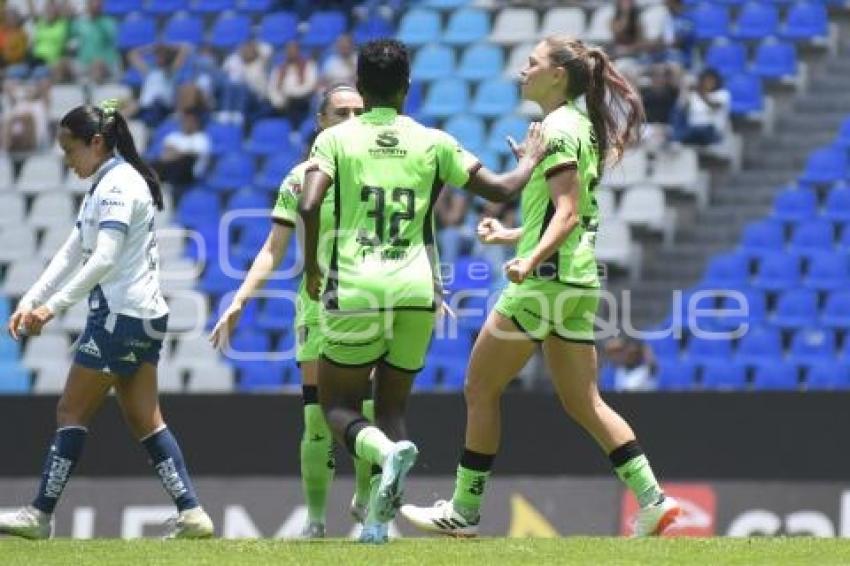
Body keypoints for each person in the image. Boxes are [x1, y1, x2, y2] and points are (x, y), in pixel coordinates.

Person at [400, 36, 680, 538]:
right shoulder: (578, 127)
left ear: (557, 75)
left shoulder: (556, 128)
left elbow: (568, 214)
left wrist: (528, 256)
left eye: (532, 63)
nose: (521, 70)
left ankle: (463, 509)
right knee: (584, 402)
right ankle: (653, 499)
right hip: (577, 283)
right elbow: (568, 211)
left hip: (546, 283)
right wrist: (513, 235)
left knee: (480, 386)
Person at [299, 38, 547, 544]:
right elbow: (501, 189)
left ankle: (385, 457)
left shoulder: (336, 141)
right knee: (392, 409)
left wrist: (310, 268)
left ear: (362, 89)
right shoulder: (434, 141)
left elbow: (308, 205)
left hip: (355, 287)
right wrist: (533, 160)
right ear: (407, 88)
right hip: (418, 290)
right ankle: (378, 524)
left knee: (338, 406)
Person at [0, 100, 213, 540]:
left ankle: (40, 515)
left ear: (96, 142)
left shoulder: (118, 187)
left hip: (120, 316)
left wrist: (51, 308)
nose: (67, 160)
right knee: (144, 418)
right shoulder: (107, 183)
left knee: (71, 409)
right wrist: (32, 299)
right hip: (145, 316)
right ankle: (192, 513)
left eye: (70, 150)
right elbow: (72, 250)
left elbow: (104, 259)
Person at [209, 84, 371, 539]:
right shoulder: (300, 178)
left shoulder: (380, 172)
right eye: (342, 112)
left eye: (360, 111)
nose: (353, 120)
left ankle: (365, 506)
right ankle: (316, 520)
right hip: (318, 304)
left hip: (369, 300)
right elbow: (271, 249)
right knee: (316, 418)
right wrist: (240, 299)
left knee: (369, 410)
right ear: (321, 121)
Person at [150, 109, 210, 202]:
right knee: (152, 164)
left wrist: (177, 152)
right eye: (185, 121)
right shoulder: (173, 136)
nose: (187, 124)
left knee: (185, 160)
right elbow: (165, 155)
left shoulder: (201, 138)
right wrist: (181, 153)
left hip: (191, 173)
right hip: (170, 167)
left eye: (190, 121)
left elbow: (194, 155)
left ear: (196, 123)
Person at [672, 68, 730, 147]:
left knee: (702, 130)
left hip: (712, 131)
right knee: (677, 120)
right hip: (692, 130)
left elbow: (714, 105)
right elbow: (681, 109)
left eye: (711, 80)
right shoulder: (694, 95)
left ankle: (678, 139)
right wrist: (685, 90)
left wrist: (698, 91)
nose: (708, 83)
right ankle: (675, 140)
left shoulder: (722, 94)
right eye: (706, 80)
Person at [268, 40, 318, 125]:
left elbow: (310, 86)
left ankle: (295, 130)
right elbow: (272, 88)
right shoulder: (279, 68)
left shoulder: (308, 65)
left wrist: (291, 94)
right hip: (281, 102)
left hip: (301, 100)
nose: (291, 52)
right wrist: (278, 101)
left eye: (293, 49)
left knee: (295, 107)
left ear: (298, 51)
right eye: (289, 50)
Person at [68, 0, 119, 84]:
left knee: (96, 64)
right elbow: (71, 39)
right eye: (92, 4)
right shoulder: (80, 23)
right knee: (61, 65)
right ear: (88, 6)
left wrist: (98, 22)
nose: (95, 7)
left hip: (106, 62)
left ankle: (93, 91)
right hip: (83, 62)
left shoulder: (109, 23)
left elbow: (114, 41)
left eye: (97, 5)